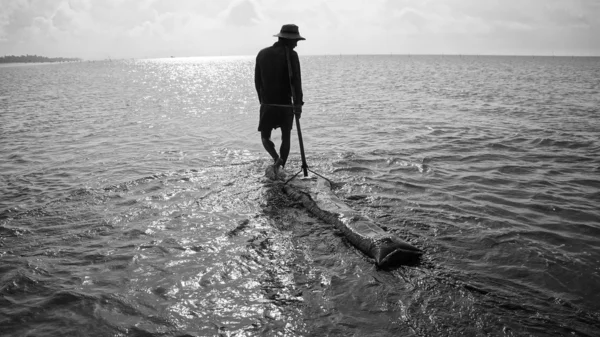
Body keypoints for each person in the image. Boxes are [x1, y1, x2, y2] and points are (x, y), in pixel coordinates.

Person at [255, 24, 305, 175]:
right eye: (295, 41)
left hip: (267, 103)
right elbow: (297, 81)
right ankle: (281, 165)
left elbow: (257, 81)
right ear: (287, 41)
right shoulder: (292, 55)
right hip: (285, 105)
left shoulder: (262, 54)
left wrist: (262, 101)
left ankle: (276, 159)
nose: (296, 44)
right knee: (286, 136)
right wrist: (298, 104)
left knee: (265, 136)